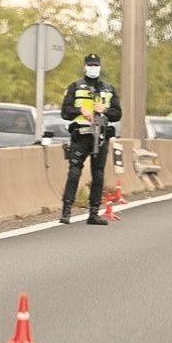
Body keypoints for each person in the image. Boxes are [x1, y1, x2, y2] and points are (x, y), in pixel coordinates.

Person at [59, 53, 122, 225]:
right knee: (74, 172)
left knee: (98, 174)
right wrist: (80, 111)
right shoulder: (76, 87)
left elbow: (117, 114)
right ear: (84, 67)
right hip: (81, 135)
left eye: (96, 65)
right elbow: (65, 112)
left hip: (101, 136)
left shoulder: (108, 89)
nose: (93, 68)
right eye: (90, 65)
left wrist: (105, 110)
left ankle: (94, 213)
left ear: (100, 67)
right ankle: (66, 211)